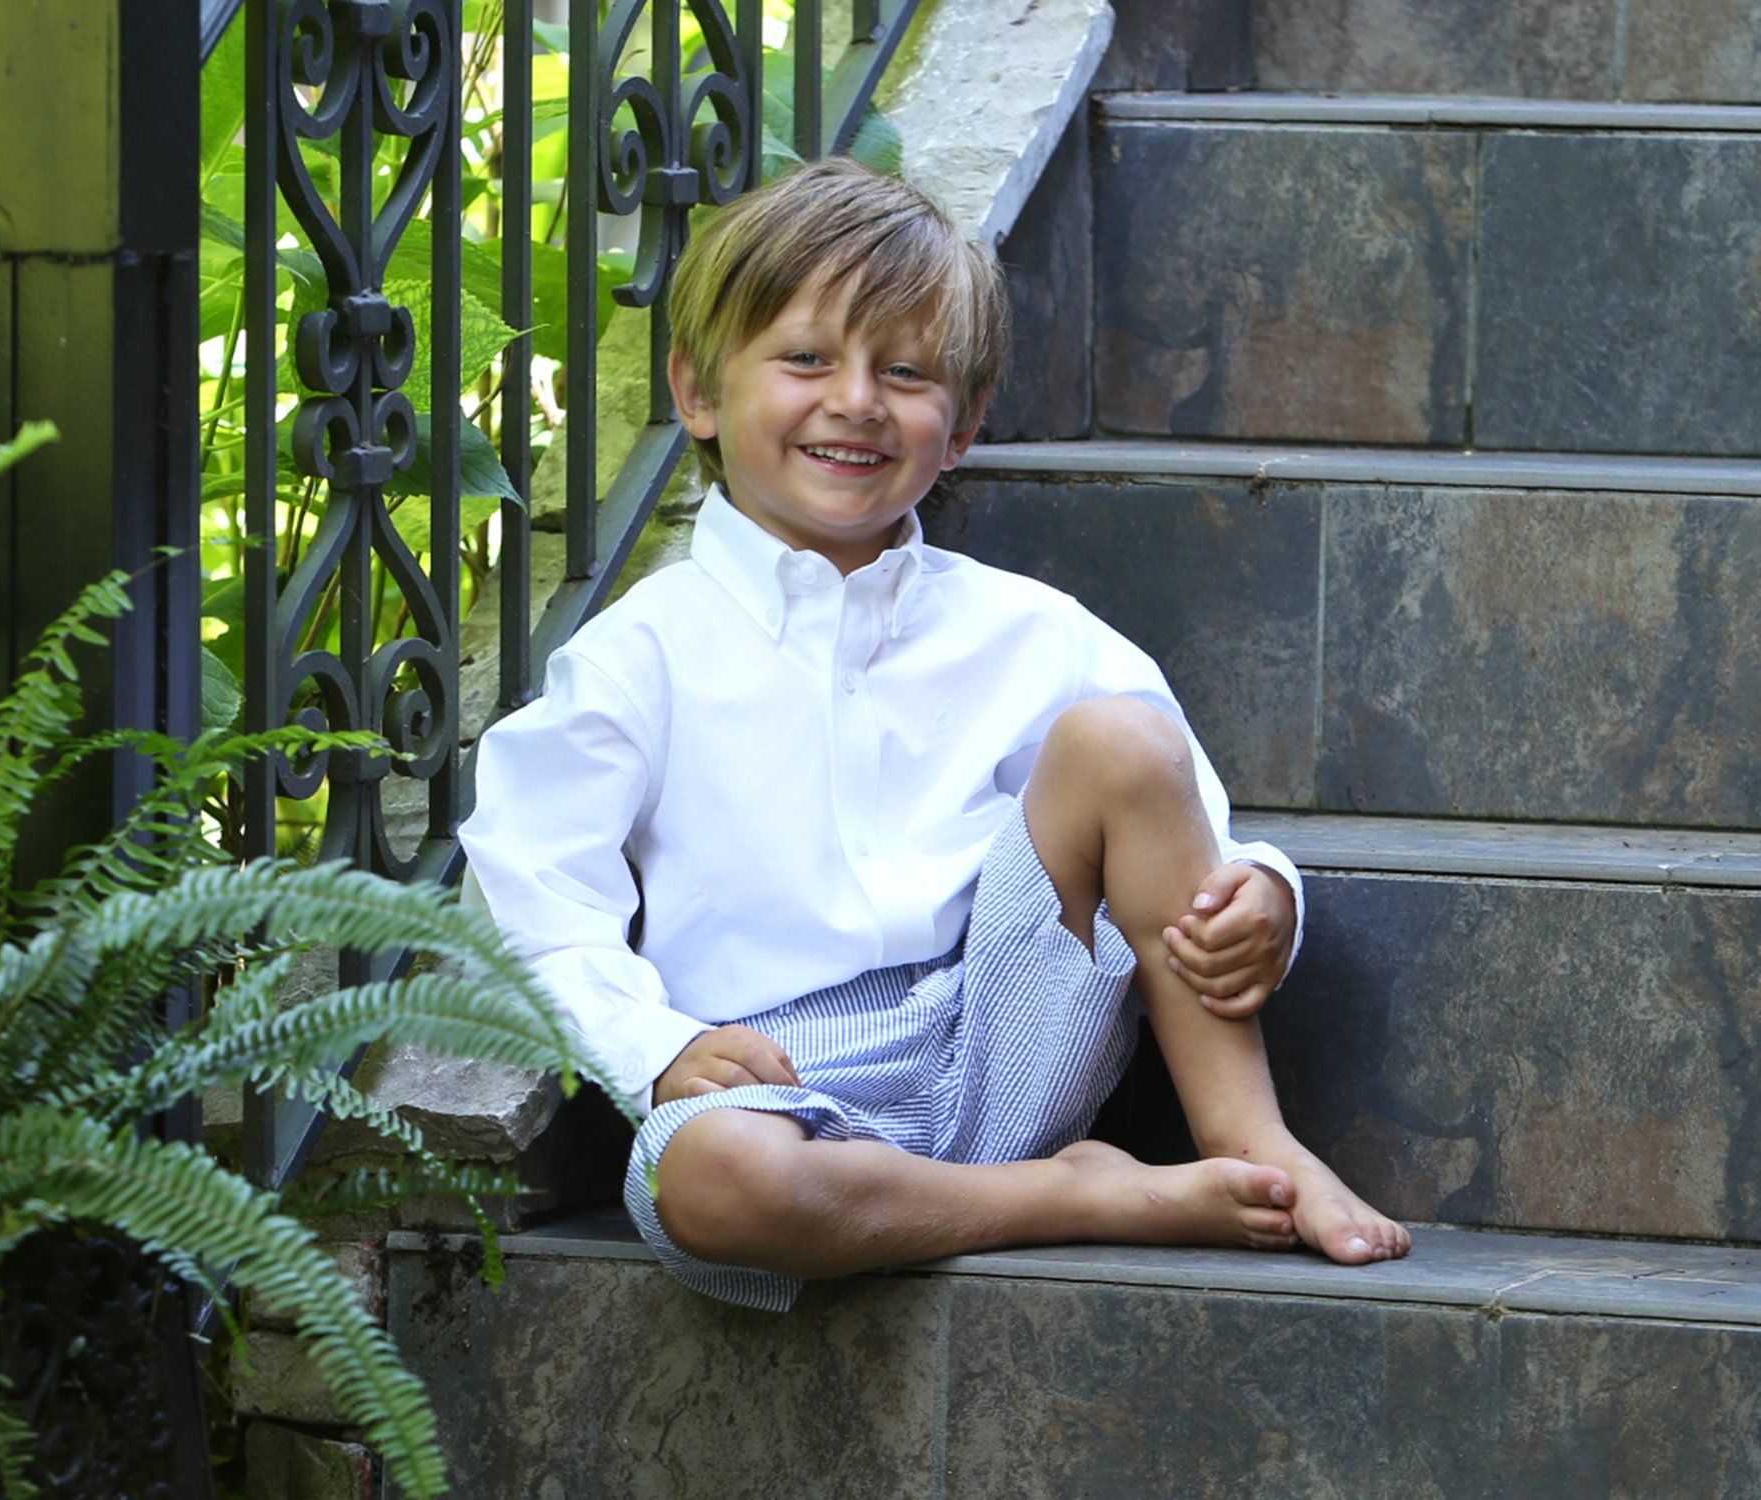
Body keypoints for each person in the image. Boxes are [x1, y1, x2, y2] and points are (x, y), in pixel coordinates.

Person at [460, 158, 1410, 1311]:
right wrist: (654, 1048)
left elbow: (1181, 810)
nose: (856, 399)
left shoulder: (1030, 632)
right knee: (713, 1183)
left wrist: (1263, 891)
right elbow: (529, 882)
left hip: (1001, 1025)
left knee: (1121, 736)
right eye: (806, 358)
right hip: (777, 1081)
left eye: (905, 373)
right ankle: (1085, 1198)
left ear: (958, 427)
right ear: (699, 393)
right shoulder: (639, 657)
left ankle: (1255, 1148)